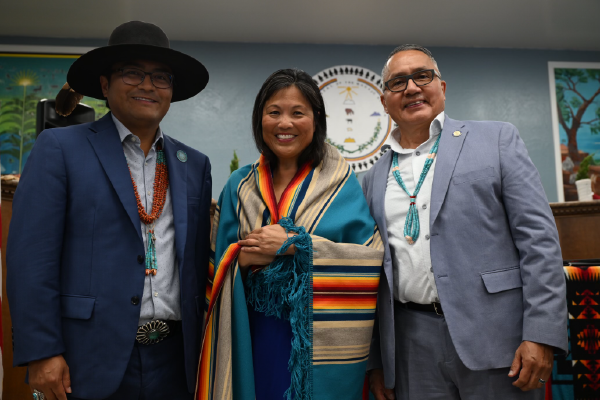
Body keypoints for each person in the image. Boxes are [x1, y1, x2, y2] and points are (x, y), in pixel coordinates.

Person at [7, 21, 212, 400]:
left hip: (176, 362)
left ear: (172, 90)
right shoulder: (59, 149)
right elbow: (30, 260)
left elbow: (197, 262)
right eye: (132, 72)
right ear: (105, 84)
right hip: (85, 358)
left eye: (161, 77)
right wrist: (41, 351)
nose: (148, 85)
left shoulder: (193, 164)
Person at [362, 44, 568, 400]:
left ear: (441, 87)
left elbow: (540, 242)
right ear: (385, 102)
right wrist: (378, 361)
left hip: (498, 338)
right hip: (411, 347)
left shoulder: (496, 139)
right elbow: (372, 276)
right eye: (397, 82)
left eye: (422, 76)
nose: (411, 88)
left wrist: (541, 334)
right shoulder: (370, 178)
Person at [196, 68, 384, 400]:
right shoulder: (239, 185)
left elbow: (369, 258)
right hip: (252, 331)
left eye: (298, 113)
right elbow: (213, 267)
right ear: (260, 119)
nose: (285, 123)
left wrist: (296, 246)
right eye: (274, 112)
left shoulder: (342, 182)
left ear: (316, 120)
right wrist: (243, 258)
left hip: (320, 336)